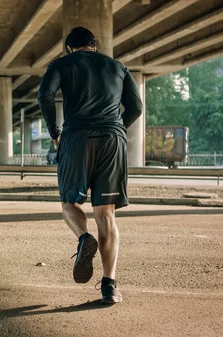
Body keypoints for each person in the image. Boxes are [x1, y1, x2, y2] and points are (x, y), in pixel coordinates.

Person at [38, 27, 142, 304]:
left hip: (76, 138)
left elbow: (45, 95)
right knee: (106, 214)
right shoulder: (118, 67)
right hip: (112, 139)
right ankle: (110, 286)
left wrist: (54, 133)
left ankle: (84, 238)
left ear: (70, 48)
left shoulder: (62, 64)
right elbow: (136, 108)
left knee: (69, 203)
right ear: (94, 46)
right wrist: (117, 129)